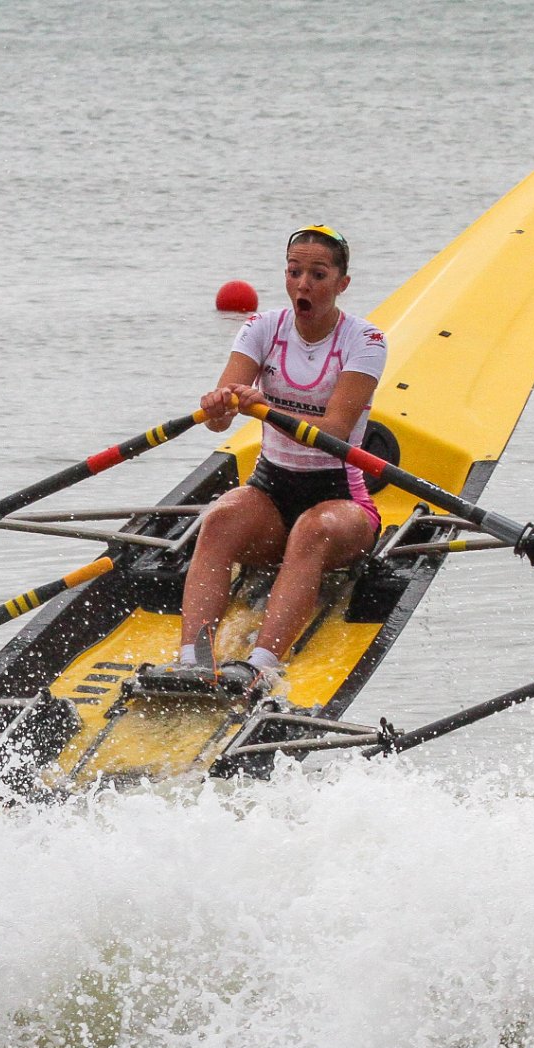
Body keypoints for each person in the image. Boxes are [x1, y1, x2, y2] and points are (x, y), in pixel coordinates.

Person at [161, 225, 386, 695]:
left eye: (318, 275)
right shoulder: (261, 328)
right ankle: (194, 660)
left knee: (313, 530)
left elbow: (336, 432)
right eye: (294, 272)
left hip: (341, 499)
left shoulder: (365, 341)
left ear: (342, 283)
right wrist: (219, 406)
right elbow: (218, 423)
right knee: (219, 518)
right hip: (271, 490)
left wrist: (263, 404)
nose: (303, 284)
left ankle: (260, 665)